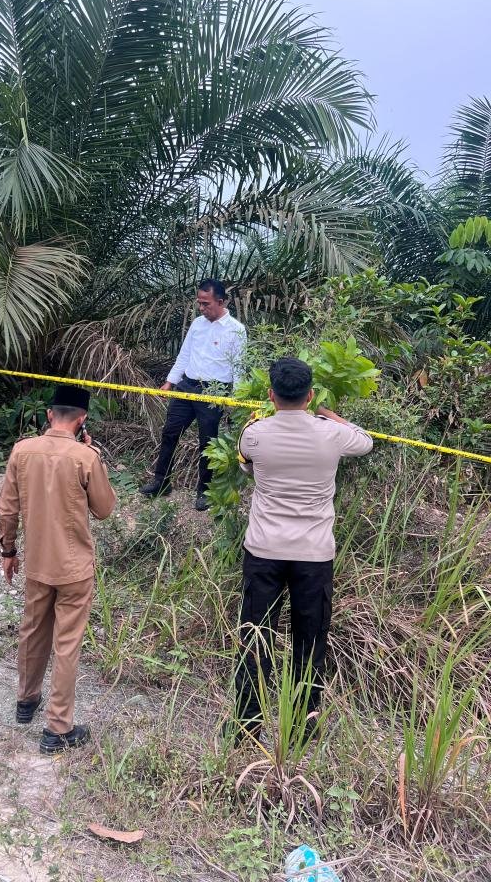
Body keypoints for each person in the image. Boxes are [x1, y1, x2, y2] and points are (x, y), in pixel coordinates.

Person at [232, 357, 373, 740]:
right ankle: (302, 728)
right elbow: (366, 441)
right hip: (314, 555)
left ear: (270, 395)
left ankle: (246, 725)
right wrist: (327, 413)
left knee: (255, 634)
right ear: (309, 394)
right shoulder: (332, 435)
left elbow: (246, 467)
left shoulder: (253, 434)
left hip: (264, 549)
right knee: (310, 639)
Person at [0, 385, 116, 755]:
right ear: (82, 420)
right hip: (74, 567)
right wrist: (95, 454)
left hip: (36, 563)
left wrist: (9, 550)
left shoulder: (21, 450)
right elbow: (105, 508)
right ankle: (58, 727)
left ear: (50, 414)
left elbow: (6, 509)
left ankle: (26, 701)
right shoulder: (85, 456)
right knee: (66, 643)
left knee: (32, 630)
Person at [140, 279, 247, 511]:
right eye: (199, 303)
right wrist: (170, 382)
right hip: (186, 387)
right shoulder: (197, 324)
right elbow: (184, 355)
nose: (201, 308)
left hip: (213, 393)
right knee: (170, 433)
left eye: (205, 303)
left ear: (220, 302)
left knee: (207, 442)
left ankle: (203, 491)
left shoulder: (236, 331)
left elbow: (239, 367)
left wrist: (236, 400)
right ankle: (161, 482)